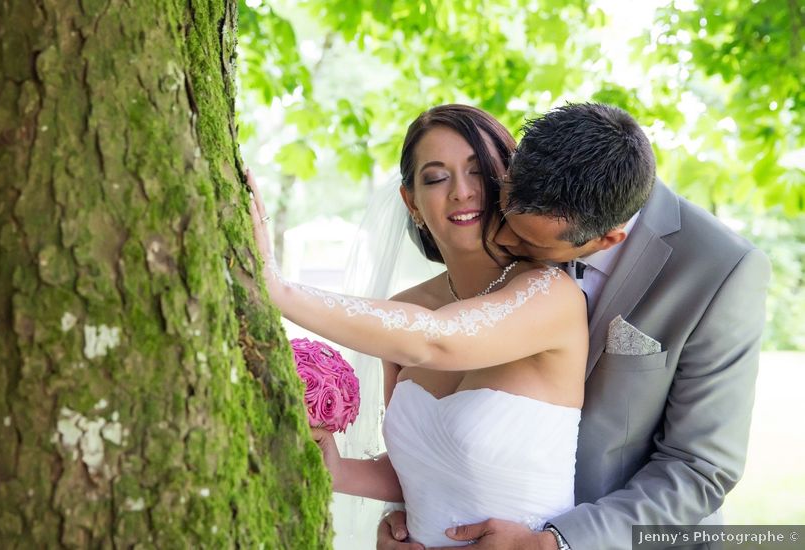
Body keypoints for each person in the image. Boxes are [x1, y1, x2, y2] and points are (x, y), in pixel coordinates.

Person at [375, 103, 771, 550]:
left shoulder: (721, 270)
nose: (504, 240)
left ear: (606, 239)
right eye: (506, 217)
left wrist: (555, 542)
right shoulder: (549, 172)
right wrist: (414, 513)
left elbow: (699, 469)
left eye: (526, 241)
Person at [248, 104, 591, 548]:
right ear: (411, 202)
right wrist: (338, 469)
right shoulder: (403, 310)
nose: (461, 192)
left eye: (478, 172)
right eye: (435, 177)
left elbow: (435, 339)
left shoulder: (549, 296)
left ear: (508, 185)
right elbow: (419, 467)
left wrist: (279, 291)